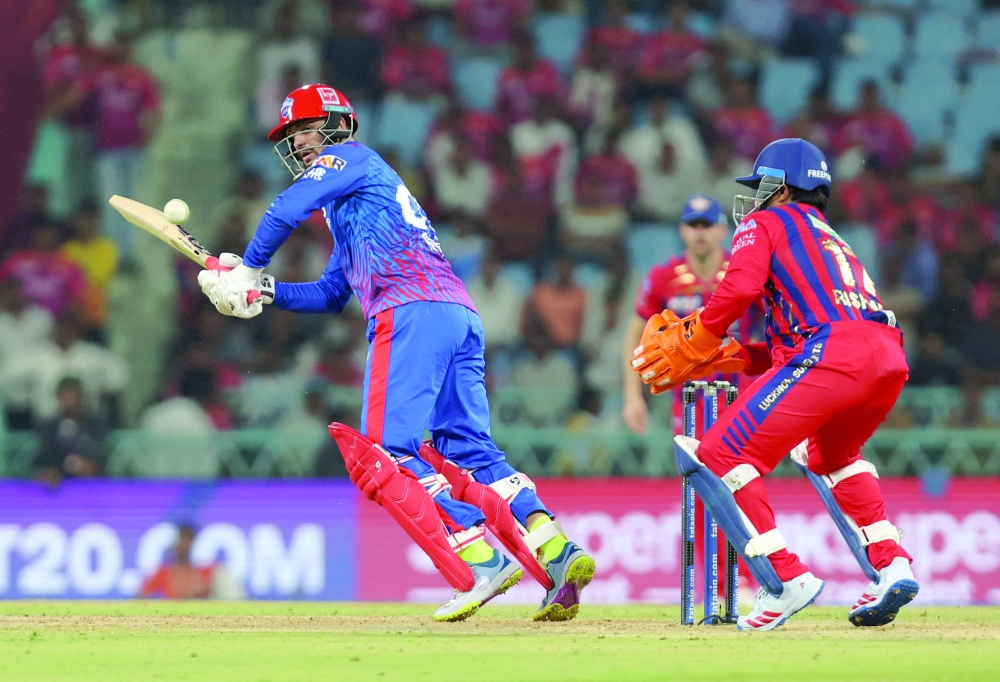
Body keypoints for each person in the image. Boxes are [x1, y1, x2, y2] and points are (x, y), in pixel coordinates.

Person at [197, 84, 594, 622]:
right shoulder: (351, 206)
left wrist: (245, 266)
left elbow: (286, 207)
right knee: (473, 454)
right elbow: (331, 294)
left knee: (390, 450)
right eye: (290, 137)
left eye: (303, 130)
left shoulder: (350, 157)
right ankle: (557, 550)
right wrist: (264, 291)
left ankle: (480, 560)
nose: (297, 144)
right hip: (456, 314)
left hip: (410, 312)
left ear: (337, 126)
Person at [631, 139, 917, 630]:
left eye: (764, 185)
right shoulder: (830, 238)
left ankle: (785, 580)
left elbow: (740, 289)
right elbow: (799, 343)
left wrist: (700, 336)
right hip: (885, 356)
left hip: (832, 354)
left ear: (785, 187)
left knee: (718, 453)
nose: (757, 198)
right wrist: (732, 355)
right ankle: (892, 566)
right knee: (832, 456)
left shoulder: (766, 223)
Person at [622, 195, 744, 435]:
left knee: (734, 469)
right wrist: (632, 397)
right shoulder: (663, 277)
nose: (700, 233)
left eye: (707, 225)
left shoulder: (742, 271)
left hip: (740, 391)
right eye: (693, 225)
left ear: (721, 230)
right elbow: (634, 336)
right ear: (682, 230)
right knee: (693, 468)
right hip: (688, 396)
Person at [34, 376, 107, 486]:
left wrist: (90, 465)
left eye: (72, 394)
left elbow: (101, 453)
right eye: (64, 394)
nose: (68, 399)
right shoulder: (50, 427)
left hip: (93, 485)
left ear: (81, 396)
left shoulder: (95, 424)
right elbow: (42, 457)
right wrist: (48, 470)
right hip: (58, 485)